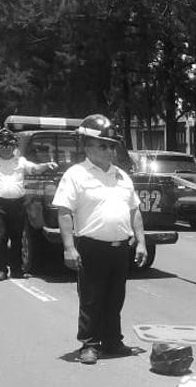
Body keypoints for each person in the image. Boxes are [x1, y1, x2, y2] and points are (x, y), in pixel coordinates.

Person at [52, 114, 146, 365]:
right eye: (103, 145)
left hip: (119, 248)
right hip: (91, 247)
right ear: (88, 146)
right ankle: (89, 344)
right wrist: (69, 247)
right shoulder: (76, 174)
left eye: (112, 145)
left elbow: (134, 210)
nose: (109, 150)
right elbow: (64, 211)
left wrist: (142, 241)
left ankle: (112, 341)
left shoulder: (121, 176)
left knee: (115, 298)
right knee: (91, 298)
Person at [0, 127, 58, 281]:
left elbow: (34, 169)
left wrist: (46, 165)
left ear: (14, 146)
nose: (6, 148)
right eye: (2, 145)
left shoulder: (20, 161)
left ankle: (17, 270)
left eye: (9, 145)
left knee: (17, 237)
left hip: (18, 204)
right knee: (0, 236)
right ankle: (1, 269)